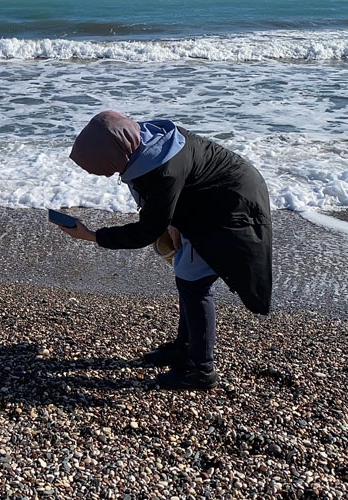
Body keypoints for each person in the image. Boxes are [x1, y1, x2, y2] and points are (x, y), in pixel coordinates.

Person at [57, 110, 272, 390]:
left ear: (115, 154)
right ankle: (184, 348)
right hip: (211, 198)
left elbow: (146, 230)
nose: (94, 172)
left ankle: (201, 370)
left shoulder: (161, 170)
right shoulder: (148, 141)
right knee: (186, 275)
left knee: (194, 284)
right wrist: (173, 218)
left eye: (97, 165)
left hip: (231, 210)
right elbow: (183, 184)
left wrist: (92, 236)